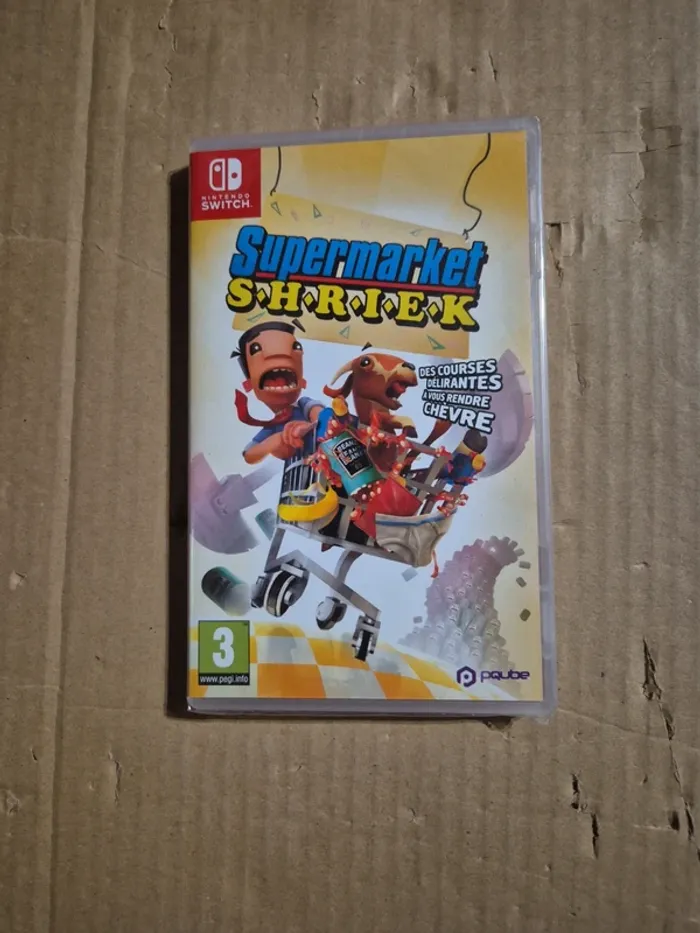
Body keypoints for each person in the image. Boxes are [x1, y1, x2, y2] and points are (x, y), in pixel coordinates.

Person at [231, 321, 323, 464]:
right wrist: (276, 441)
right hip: (300, 473)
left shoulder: (303, 405)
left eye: (295, 347)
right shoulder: (272, 428)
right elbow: (248, 454)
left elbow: (320, 413)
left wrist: (312, 425)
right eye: (256, 349)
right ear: (249, 385)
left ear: (303, 381)